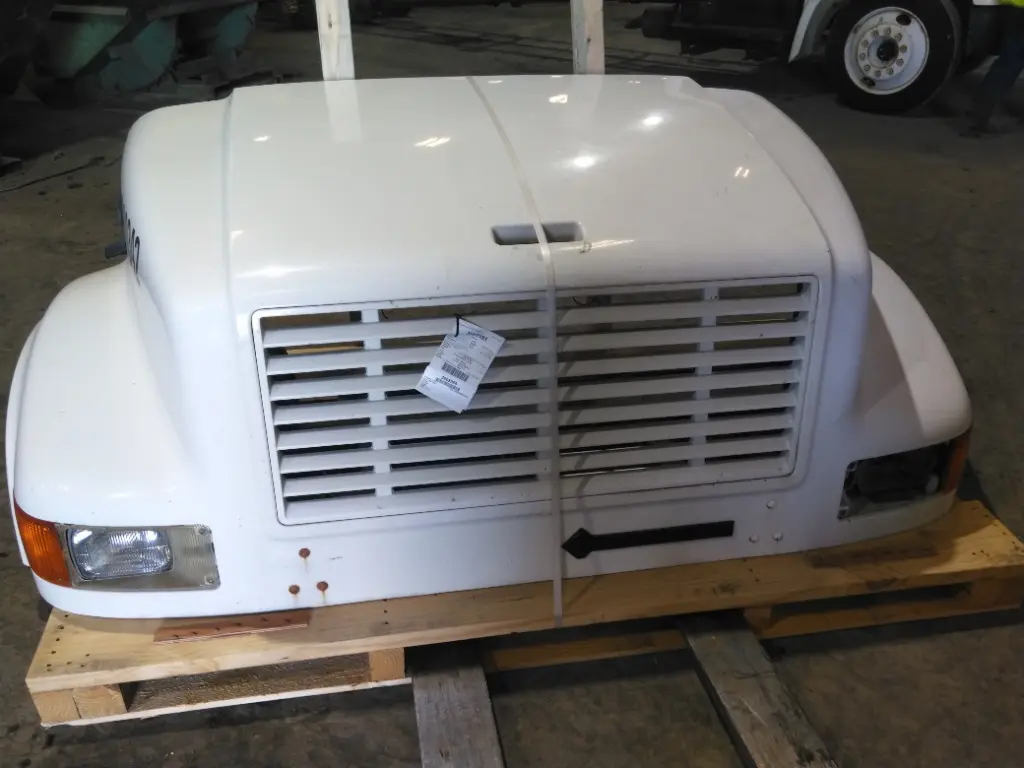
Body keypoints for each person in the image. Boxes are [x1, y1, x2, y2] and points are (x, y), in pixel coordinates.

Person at [968, 1, 1024, 134]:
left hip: (1010, 7)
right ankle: (979, 117)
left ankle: (979, 112)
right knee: (1009, 65)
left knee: (1008, 63)